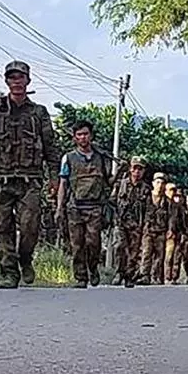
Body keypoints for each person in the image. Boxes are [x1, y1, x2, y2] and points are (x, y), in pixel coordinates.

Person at [0, 61, 61, 289]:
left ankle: (25, 259)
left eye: (20, 78)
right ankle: (9, 273)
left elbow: (50, 146)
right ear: (6, 81)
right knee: (2, 228)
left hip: (30, 180)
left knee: (30, 226)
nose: (16, 82)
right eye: (12, 78)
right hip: (2, 178)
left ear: (28, 81)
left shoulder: (38, 113)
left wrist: (54, 177)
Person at [57, 120, 113, 288]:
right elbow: (63, 183)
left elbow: (108, 182)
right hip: (75, 207)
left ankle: (93, 268)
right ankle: (81, 277)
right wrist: (59, 207)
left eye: (85, 134)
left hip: (95, 207)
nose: (83, 137)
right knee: (77, 244)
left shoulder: (101, 158)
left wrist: (119, 173)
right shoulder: (68, 158)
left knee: (93, 243)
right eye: (79, 134)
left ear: (91, 135)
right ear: (74, 138)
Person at [112, 156, 149, 288]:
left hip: (136, 225)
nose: (137, 171)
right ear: (130, 169)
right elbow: (112, 201)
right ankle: (118, 272)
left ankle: (129, 275)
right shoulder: (121, 185)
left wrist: (145, 226)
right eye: (134, 168)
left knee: (134, 252)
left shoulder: (145, 189)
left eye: (140, 169)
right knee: (119, 246)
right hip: (121, 222)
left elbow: (148, 210)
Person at [139, 172, 170, 285]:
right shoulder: (146, 198)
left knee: (159, 255)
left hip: (161, 231)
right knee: (146, 253)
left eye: (162, 183)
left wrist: (170, 230)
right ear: (153, 184)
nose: (160, 185)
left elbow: (171, 217)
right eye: (157, 182)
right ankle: (144, 275)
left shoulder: (167, 202)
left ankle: (156, 276)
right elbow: (140, 214)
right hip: (148, 230)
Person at [165, 183, 188, 284]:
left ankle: (174, 277)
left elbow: (184, 223)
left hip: (178, 235)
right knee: (168, 257)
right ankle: (166, 277)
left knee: (177, 257)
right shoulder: (164, 204)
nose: (175, 196)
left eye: (178, 195)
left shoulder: (180, 209)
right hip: (167, 234)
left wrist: (185, 233)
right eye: (171, 191)